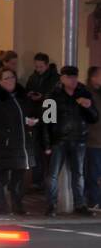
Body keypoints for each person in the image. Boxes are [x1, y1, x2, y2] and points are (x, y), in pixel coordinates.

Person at [43, 65, 99, 217]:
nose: (73, 80)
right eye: (69, 77)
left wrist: (88, 107)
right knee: (53, 174)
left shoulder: (83, 92)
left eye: (75, 77)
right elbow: (46, 121)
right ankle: (51, 204)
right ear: (62, 78)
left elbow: (94, 118)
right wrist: (47, 144)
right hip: (58, 140)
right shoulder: (53, 95)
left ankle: (79, 204)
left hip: (79, 139)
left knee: (78, 174)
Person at [0, 67, 35, 216]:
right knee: (1, 177)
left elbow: (30, 113)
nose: (10, 81)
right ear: (0, 81)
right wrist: (4, 138)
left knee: (18, 177)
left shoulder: (22, 97)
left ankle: (17, 206)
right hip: (5, 145)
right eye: (6, 78)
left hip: (22, 144)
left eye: (12, 77)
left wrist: (31, 122)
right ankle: (2, 207)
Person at [26, 52, 60, 188]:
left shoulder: (54, 78)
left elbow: (54, 96)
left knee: (48, 149)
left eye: (40, 66)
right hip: (36, 115)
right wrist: (30, 95)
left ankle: (50, 179)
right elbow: (28, 90)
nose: (38, 69)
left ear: (47, 65)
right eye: (36, 66)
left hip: (48, 115)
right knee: (35, 149)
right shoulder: (33, 77)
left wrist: (42, 97)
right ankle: (37, 180)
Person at [87, 67, 101, 213]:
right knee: (94, 173)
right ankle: (94, 201)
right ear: (93, 78)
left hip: (98, 139)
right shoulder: (89, 94)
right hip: (94, 139)